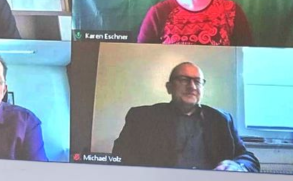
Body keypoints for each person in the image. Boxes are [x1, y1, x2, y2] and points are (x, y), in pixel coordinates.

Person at [111, 62, 259, 171]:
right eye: (183, 80)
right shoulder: (142, 117)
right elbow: (120, 157)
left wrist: (238, 166)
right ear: (169, 87)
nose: (192, 87)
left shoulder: (222, 119)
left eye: (197, 81)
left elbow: (248, 158)